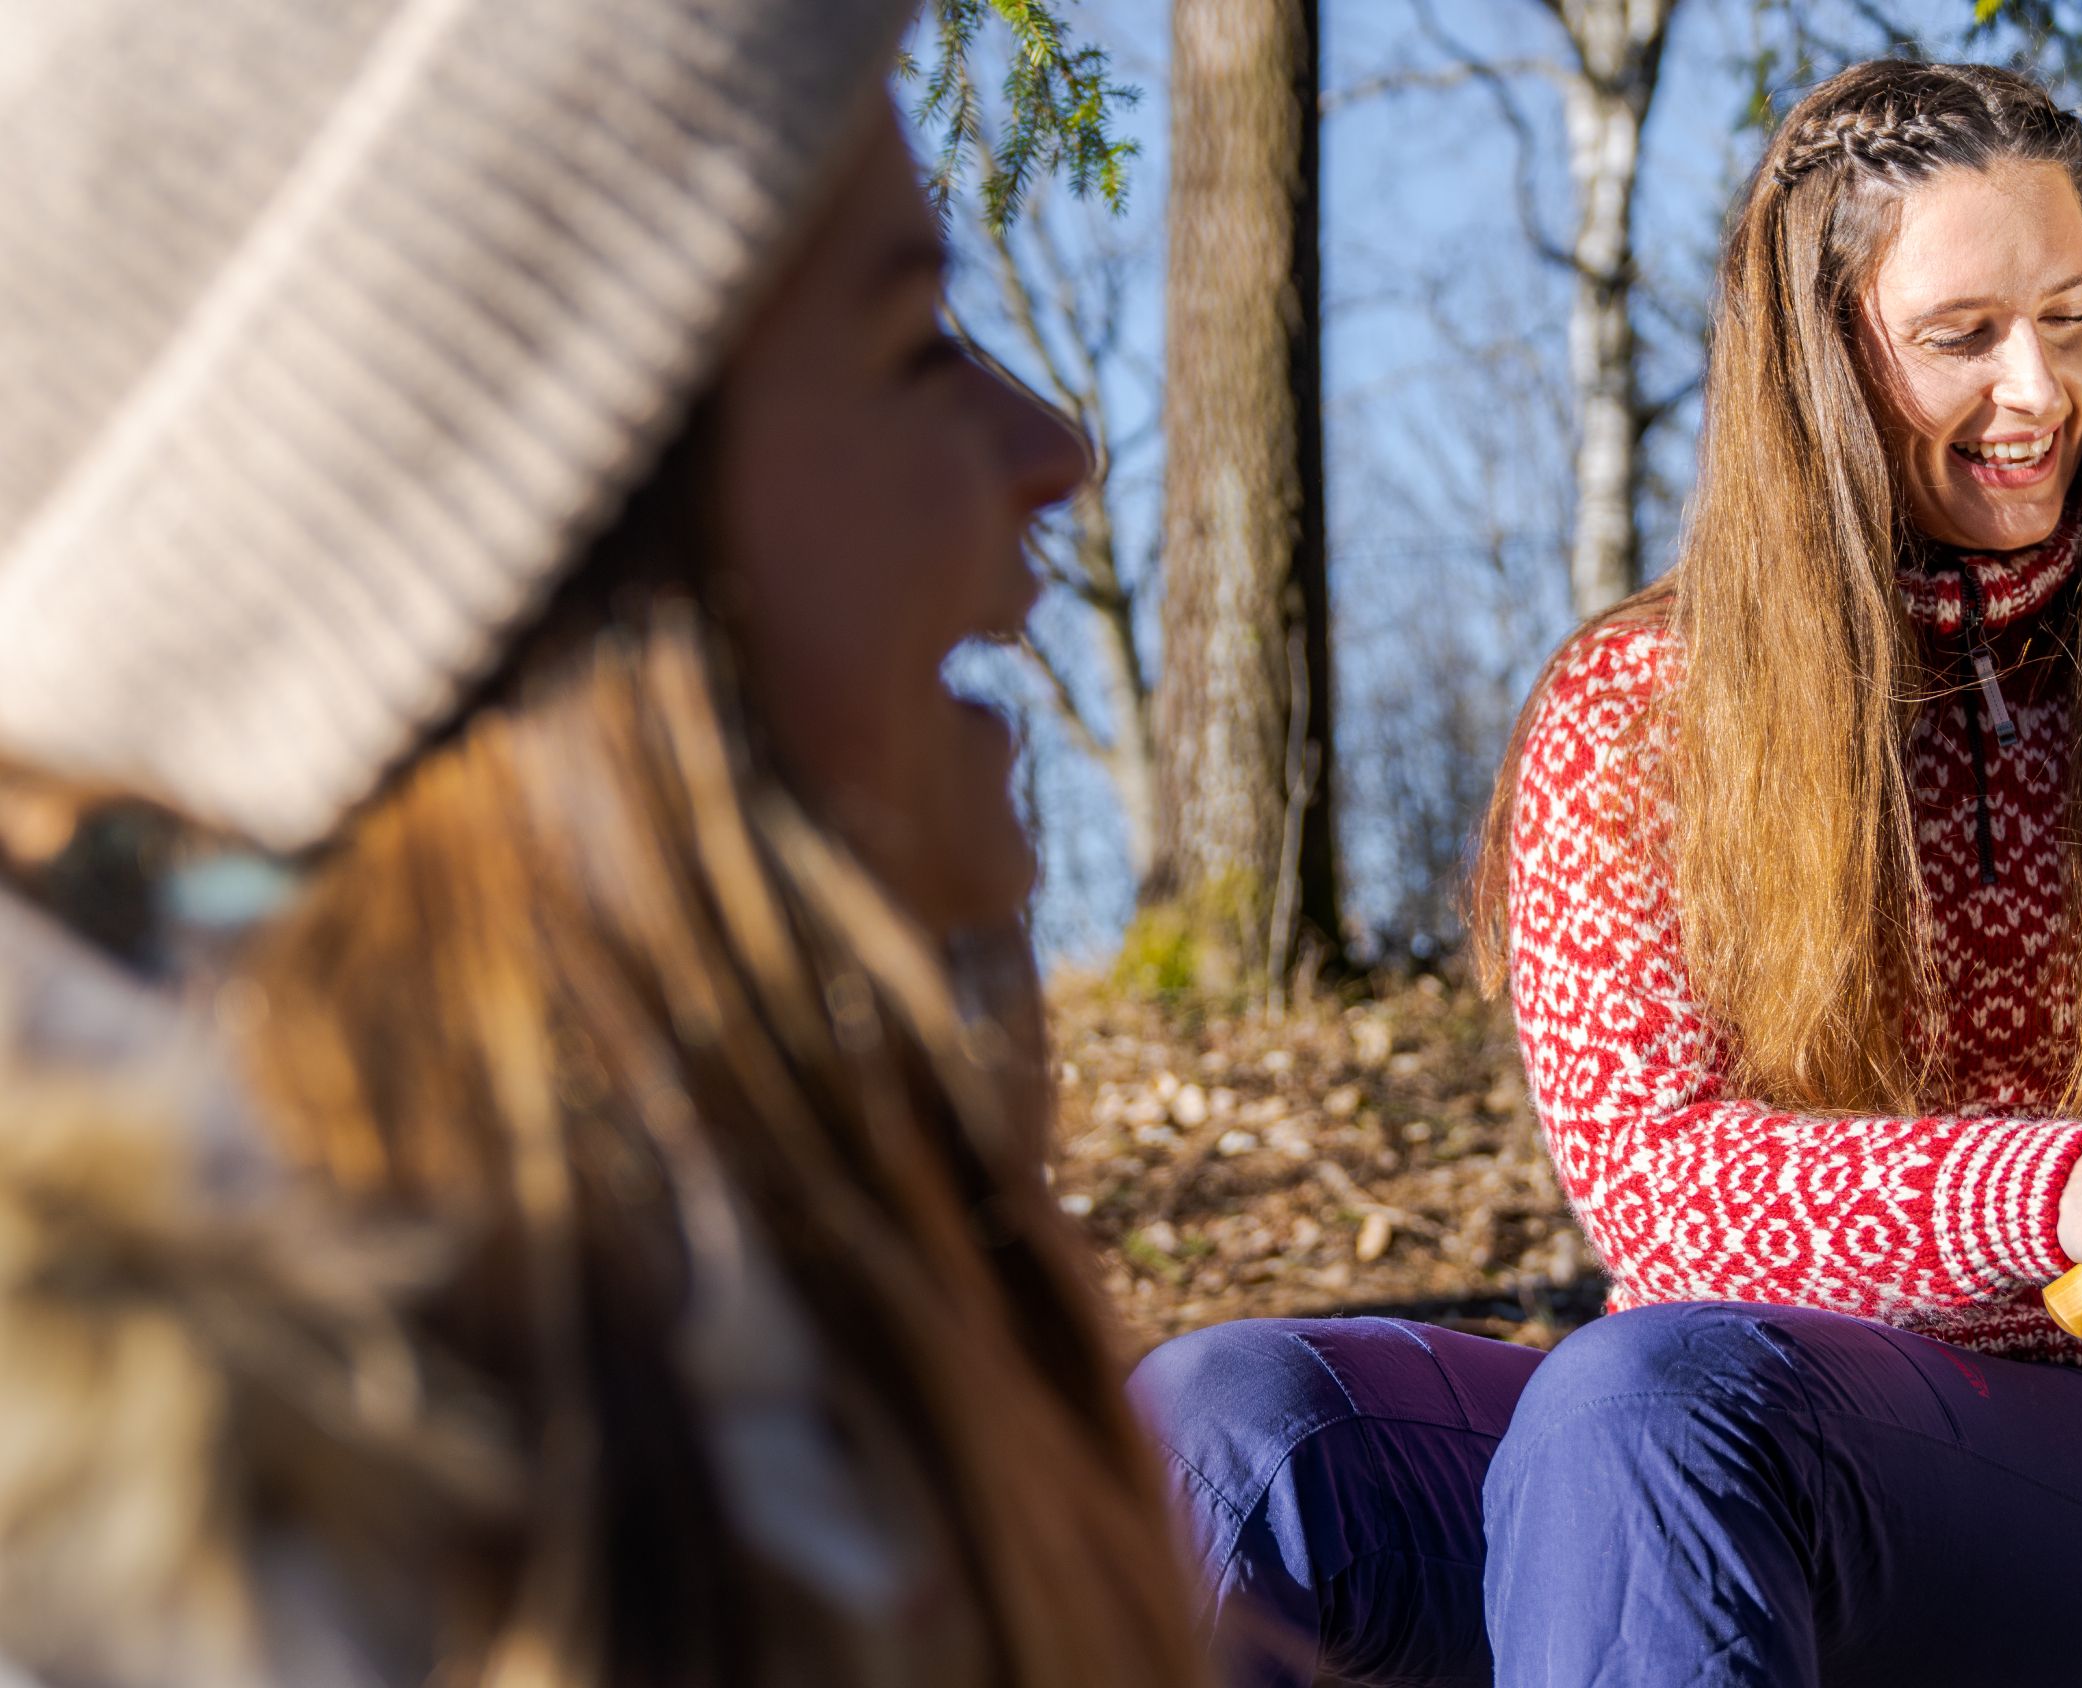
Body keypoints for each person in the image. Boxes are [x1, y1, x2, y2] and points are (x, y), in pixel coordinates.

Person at [1131, 58, 2082, 1688]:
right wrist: (2050, 1188)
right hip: (1720, 1425)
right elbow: (1654, 1183)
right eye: (1963, 336)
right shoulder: (1635, 714)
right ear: (1826, 361)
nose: (2041, 389)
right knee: (1222, 1429)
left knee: (1656, 1407)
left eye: (2073, 316)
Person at [0, 2, 1202, 1683]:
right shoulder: (142, 1590)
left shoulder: (761, 1387)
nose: (1053, 454)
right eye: (917, 338)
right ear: (535, 569)